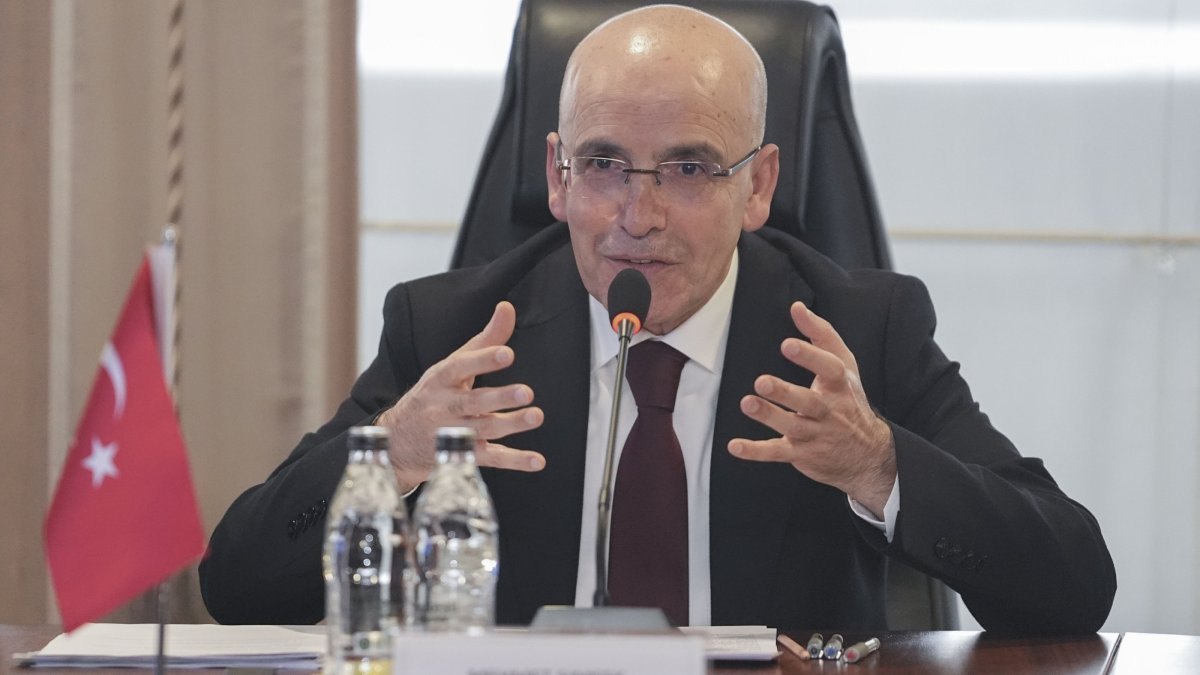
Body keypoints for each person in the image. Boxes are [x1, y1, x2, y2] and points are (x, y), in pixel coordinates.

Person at [200, 4, 1115, 633]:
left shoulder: (854, 332)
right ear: (556, 175)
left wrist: (879, 463)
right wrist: (392, 453)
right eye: (604, 164)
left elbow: (1074, 585)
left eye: (688, 168)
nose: (637, 216)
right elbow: (238, 585)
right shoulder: (458, 332)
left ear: (758, 185)